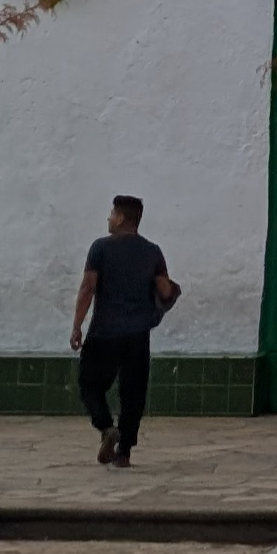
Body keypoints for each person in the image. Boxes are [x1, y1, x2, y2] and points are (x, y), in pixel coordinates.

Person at [71, 193, 178, 466]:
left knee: (89, 383)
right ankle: (124, 452)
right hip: (138, 334)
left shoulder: (100, 248)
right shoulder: (153, 251)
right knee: (133, 392)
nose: (108, 219)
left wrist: (77, 327)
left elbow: (87, 288)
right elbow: (165, 289)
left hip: (104, 331)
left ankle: (107, 427)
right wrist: (173, 291)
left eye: (111, 214)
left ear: (120, 218)